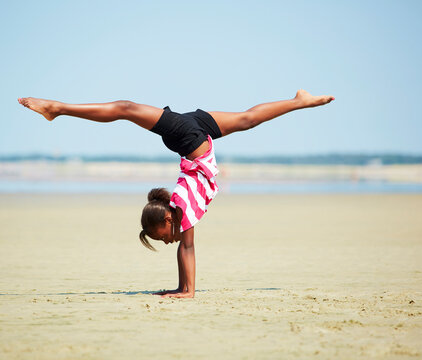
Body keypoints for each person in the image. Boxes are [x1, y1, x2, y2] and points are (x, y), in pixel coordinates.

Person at [18, 89, 335, 298]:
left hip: (188, 138)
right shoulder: (179, 209)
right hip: (191, 137)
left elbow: (187, 248)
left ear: (169, 217)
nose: (167, 240)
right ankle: (300, 100)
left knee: (126, 109)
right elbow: (186, 246)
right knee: (246, 120)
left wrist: (187, 293)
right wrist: (182, 289)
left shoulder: (182, 205)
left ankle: (56, 108)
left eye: (162, 235)